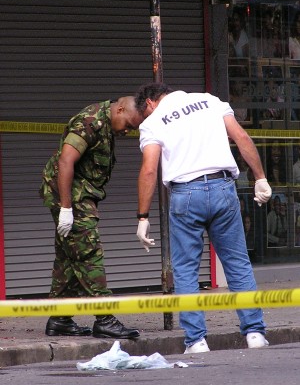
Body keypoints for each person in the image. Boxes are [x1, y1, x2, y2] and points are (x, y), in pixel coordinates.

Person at [134, 82, 272, 353]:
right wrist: (260, 177)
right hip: (222, 188)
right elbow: (241, 137)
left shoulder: (153, 122)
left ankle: (196, 341)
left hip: (185, 194)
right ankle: (255, 333)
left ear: (150, 103)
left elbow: (149, 170)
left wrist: (143, 216)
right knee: (237, 263)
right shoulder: (210, 100)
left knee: (185, 269)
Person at [39, 96, 143, 338]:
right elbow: (66, 161)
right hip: (68, 196)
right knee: (88, 254)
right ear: (119, 109)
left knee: (68, 259)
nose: (128, 131)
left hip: (79, 195)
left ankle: (60, 319)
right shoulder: (89, 122)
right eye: (128, 125)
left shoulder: (107, 123)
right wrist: (66, 208)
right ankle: (105, 319)